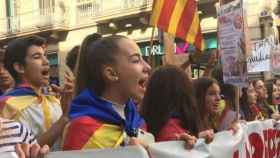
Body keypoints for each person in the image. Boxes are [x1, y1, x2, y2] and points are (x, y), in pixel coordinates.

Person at [63, 35, 153, 150]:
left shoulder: (137, 121)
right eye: (136, 60)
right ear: (111, 74)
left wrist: (179, 147)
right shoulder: (81, 129)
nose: (148, 67)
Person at [0, 35, 73, 149]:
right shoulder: (8, 106)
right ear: (20, 67)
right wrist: (64, 119)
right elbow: (24, 152)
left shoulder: (55, 101)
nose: (46, 61)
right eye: (37, 57)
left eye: (45, 56)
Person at [141, 65, 213, 146]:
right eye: (211, 93)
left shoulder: (142, 127)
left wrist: (198, 138)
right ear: (184, 93)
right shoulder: (173, 132)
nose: (218, 98)